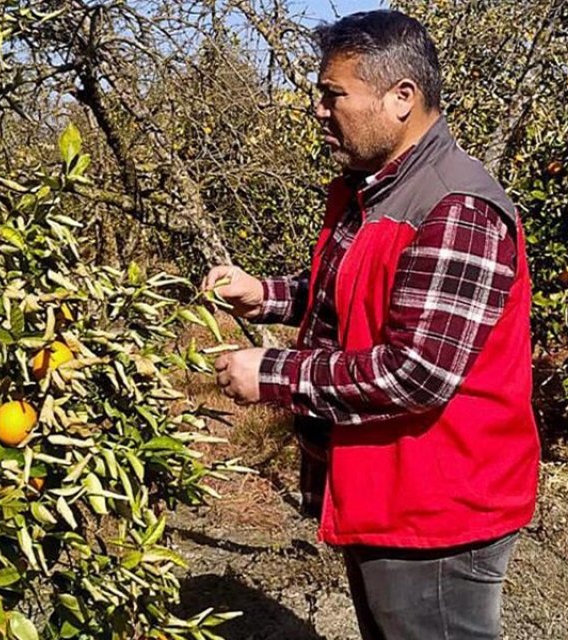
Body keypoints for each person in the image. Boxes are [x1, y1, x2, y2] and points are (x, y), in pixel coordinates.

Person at [200, 9, 539, 639]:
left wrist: (272, 373)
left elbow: (416, 372)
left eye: (334, 96)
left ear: (401, 98)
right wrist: (264, 296)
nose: (319, 112)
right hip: (389, 489)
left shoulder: (454, 207)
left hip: (438, 506)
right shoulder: (377, 189)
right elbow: (355, 295)